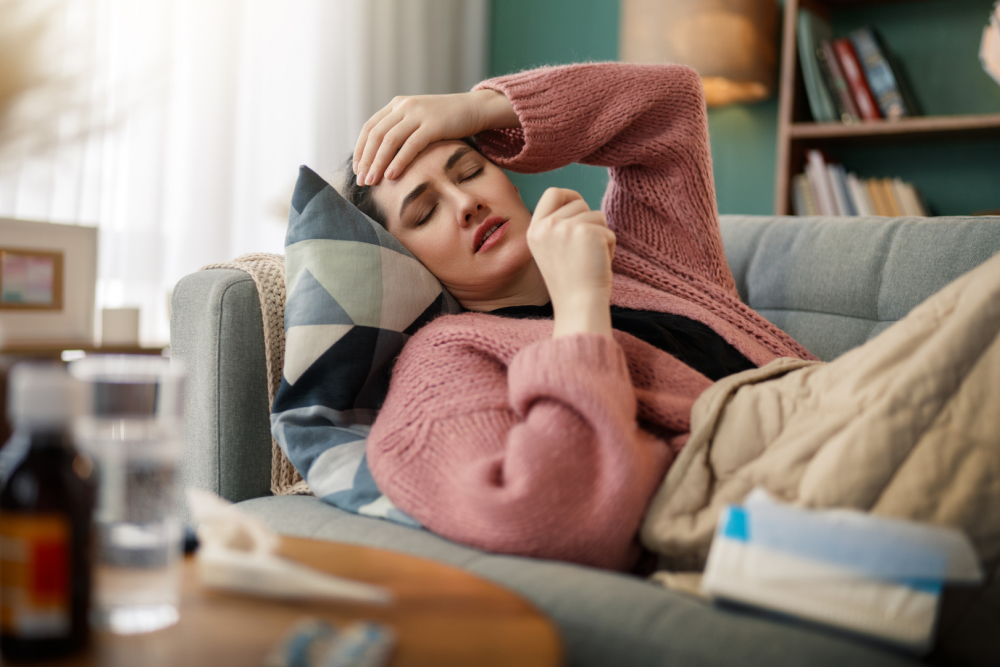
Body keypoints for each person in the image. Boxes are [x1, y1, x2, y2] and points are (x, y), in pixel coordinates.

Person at [341, 62, 1000, 575]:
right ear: (406, 261)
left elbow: (668, 106)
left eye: (469, 171)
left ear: (508, 174)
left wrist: (482, 107)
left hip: (834, 408)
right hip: (751, 485)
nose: (463, 203)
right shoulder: (442, 359)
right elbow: (550, 516)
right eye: (424, 212)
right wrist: (579, 304)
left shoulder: (645, 257)